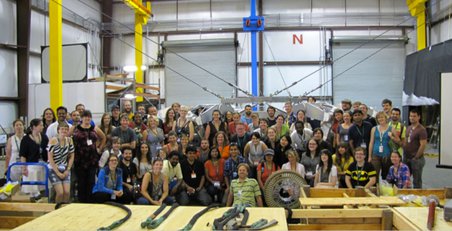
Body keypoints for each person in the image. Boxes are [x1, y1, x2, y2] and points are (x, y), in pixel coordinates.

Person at [70, 110, 106, 203]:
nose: (87, 119)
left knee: (91, 182)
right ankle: (82, 201)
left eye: (89, 117)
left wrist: (99, 148)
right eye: (85, 117)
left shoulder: (95, 128)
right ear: (82, 118)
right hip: (79, 159)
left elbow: (103, 137)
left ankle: (90, 201)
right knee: (81, 182)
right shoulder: (75, 128)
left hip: (92, 159)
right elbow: (67, 138)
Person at [19, 119, 49, 198]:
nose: (42, 127)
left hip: (43, 164)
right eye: (40, 125)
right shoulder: (26, 139)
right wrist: (23, 167)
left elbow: (48, 151)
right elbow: (23, 155)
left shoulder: (44, 137)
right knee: (32, 188)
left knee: (43, 187)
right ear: (34, 127)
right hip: (31, 165)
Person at [47, 122, 75, 203]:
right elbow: (50, 157)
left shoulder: (70, 140)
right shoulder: (53, 140)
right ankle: (57, 209)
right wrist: (57, 172)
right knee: (60, 192)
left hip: (65, 167)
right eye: (62, 129)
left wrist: (68, 169)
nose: (64, 131)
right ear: (58, 130)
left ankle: (64, 209)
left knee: (67, 192)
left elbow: (72, 156)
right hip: (53, 168)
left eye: (66, 129)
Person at [403, 109, 427, 189]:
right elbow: (406, 141)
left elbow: (423, 145)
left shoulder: (421, 130)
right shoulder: (409, 128)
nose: (412, 118)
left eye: (414, 116)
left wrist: (416, 157)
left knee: (416, 181)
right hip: (406, 158)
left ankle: (418, 198)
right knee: (405, 180)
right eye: (410, 116)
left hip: (416, 159)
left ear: (419, 117)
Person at [369, 111, 394, 181]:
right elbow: (371, 142)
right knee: (374, 174)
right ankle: (375, 190)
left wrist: (392, 137)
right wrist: (369, 156)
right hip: (375, 154)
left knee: (386, 175)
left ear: (386, 118)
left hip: (387, 154)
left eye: (382, 117)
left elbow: (397, 141)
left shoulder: (391, 128)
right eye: (378, 118)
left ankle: (385, 189)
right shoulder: (374, 129)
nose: (380, 119)